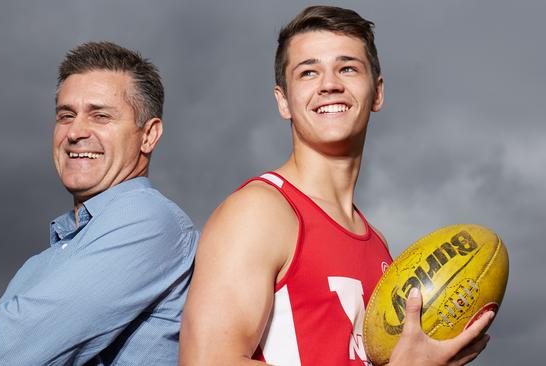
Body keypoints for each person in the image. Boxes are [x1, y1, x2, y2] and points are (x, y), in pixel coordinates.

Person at [179, 6, 492, 366]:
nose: (329, 84)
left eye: (347, 68)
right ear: (283, 101)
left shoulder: (379, 245)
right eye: (308, 72)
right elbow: (205, 361)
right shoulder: (260, 212)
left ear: (377, 93)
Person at [0, 41, 198, 365]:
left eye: (100, 116)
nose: (75, 132)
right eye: (66, 115)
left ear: (149, 135)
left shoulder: (147, 219)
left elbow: (0, 356)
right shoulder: (47, 258)